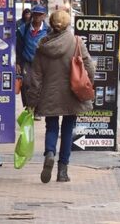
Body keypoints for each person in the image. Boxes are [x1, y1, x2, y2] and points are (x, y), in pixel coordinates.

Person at [26, 10, 95, 183]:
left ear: (51, 24)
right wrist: (87, 84)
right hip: (72, 93)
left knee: (51, 126)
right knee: (67, 129)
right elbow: (90, 68)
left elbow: (35, 77)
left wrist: (32, 102)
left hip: (49, 95)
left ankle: (49, 152)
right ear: (67, 24)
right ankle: (62, 171)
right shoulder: (76, 42)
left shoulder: (42, 46)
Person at [16, 5, 50, 109]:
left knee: (39, 86)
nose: (37, 16)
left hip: (42, 63)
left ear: (44, 16)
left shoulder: (48, 31)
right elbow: (18, 46)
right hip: (27, 61)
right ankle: (28, 107)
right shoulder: (24, 28)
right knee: (26, 84)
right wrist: (17, 62)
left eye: (40, 14)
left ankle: (37, 108)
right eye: (35, 14)